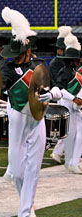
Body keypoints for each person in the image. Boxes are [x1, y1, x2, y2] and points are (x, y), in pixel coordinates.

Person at [0, 7, 61, 217]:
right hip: (17, 119)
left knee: (33, 169)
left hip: (37, 119)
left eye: (19, 53)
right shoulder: (5, 68)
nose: (15, 57)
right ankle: (28, 202)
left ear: (27, 51)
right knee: (16, 171)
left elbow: (53, 86)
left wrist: (52, 94)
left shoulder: (38, 66)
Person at [53, 34, 82, 173]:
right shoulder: (65, 71)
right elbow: (60, 89)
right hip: (68, 104)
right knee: (73, 135)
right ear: (73, 60)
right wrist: (75, 99)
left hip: (73, 105)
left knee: (72, 135)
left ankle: (70, 161)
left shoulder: (72, 70)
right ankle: (72, 162)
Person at [49, 26, 72, 164]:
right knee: (68, 127)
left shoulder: (66, 61)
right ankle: (57, 151)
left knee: (70, 127)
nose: (60, 51)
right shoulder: (55, 63)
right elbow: (59, 82)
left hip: (67, 94)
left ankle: (62, 152)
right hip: (62, 95)